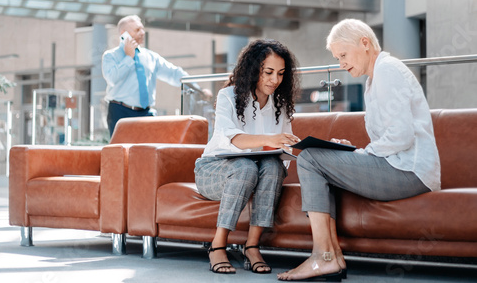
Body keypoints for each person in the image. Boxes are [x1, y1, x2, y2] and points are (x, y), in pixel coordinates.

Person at [277, 19, 441, 282]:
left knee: (308, 158)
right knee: (315, 159)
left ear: (365, 43)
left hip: (409, 171)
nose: (340, 63)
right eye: (337, 57)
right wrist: (351, 152)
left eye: (343, 55)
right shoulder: (372, 80)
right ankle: (332, 258)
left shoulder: (387, 70)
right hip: (400, 166)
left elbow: (401, 135)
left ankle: (324, 257)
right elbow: (390, 138)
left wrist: (360, 155)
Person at [194, 39, 301, 275]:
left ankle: (252, 246)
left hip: (259, 170)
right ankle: (217, 245)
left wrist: (288, 145)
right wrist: (269, 140)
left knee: (273, 166)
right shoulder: (227, 96)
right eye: (269, 72)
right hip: (213, 170)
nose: (275, 80)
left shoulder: (280, 104)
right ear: (254, 70)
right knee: (245, 167)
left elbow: (284, 148)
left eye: (281, 74)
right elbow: (231, 138)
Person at [102, 15, 210, 136]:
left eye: (142, 29)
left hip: (146, 113)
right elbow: (112, 79)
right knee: (121, 152)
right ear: (124, 33)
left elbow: (174, 74)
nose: (142, 32)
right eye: (137, 30)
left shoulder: (151, 57)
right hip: (120, 112)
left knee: (150, 150)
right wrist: (129, 57)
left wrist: (198, 89)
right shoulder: (110, 56)